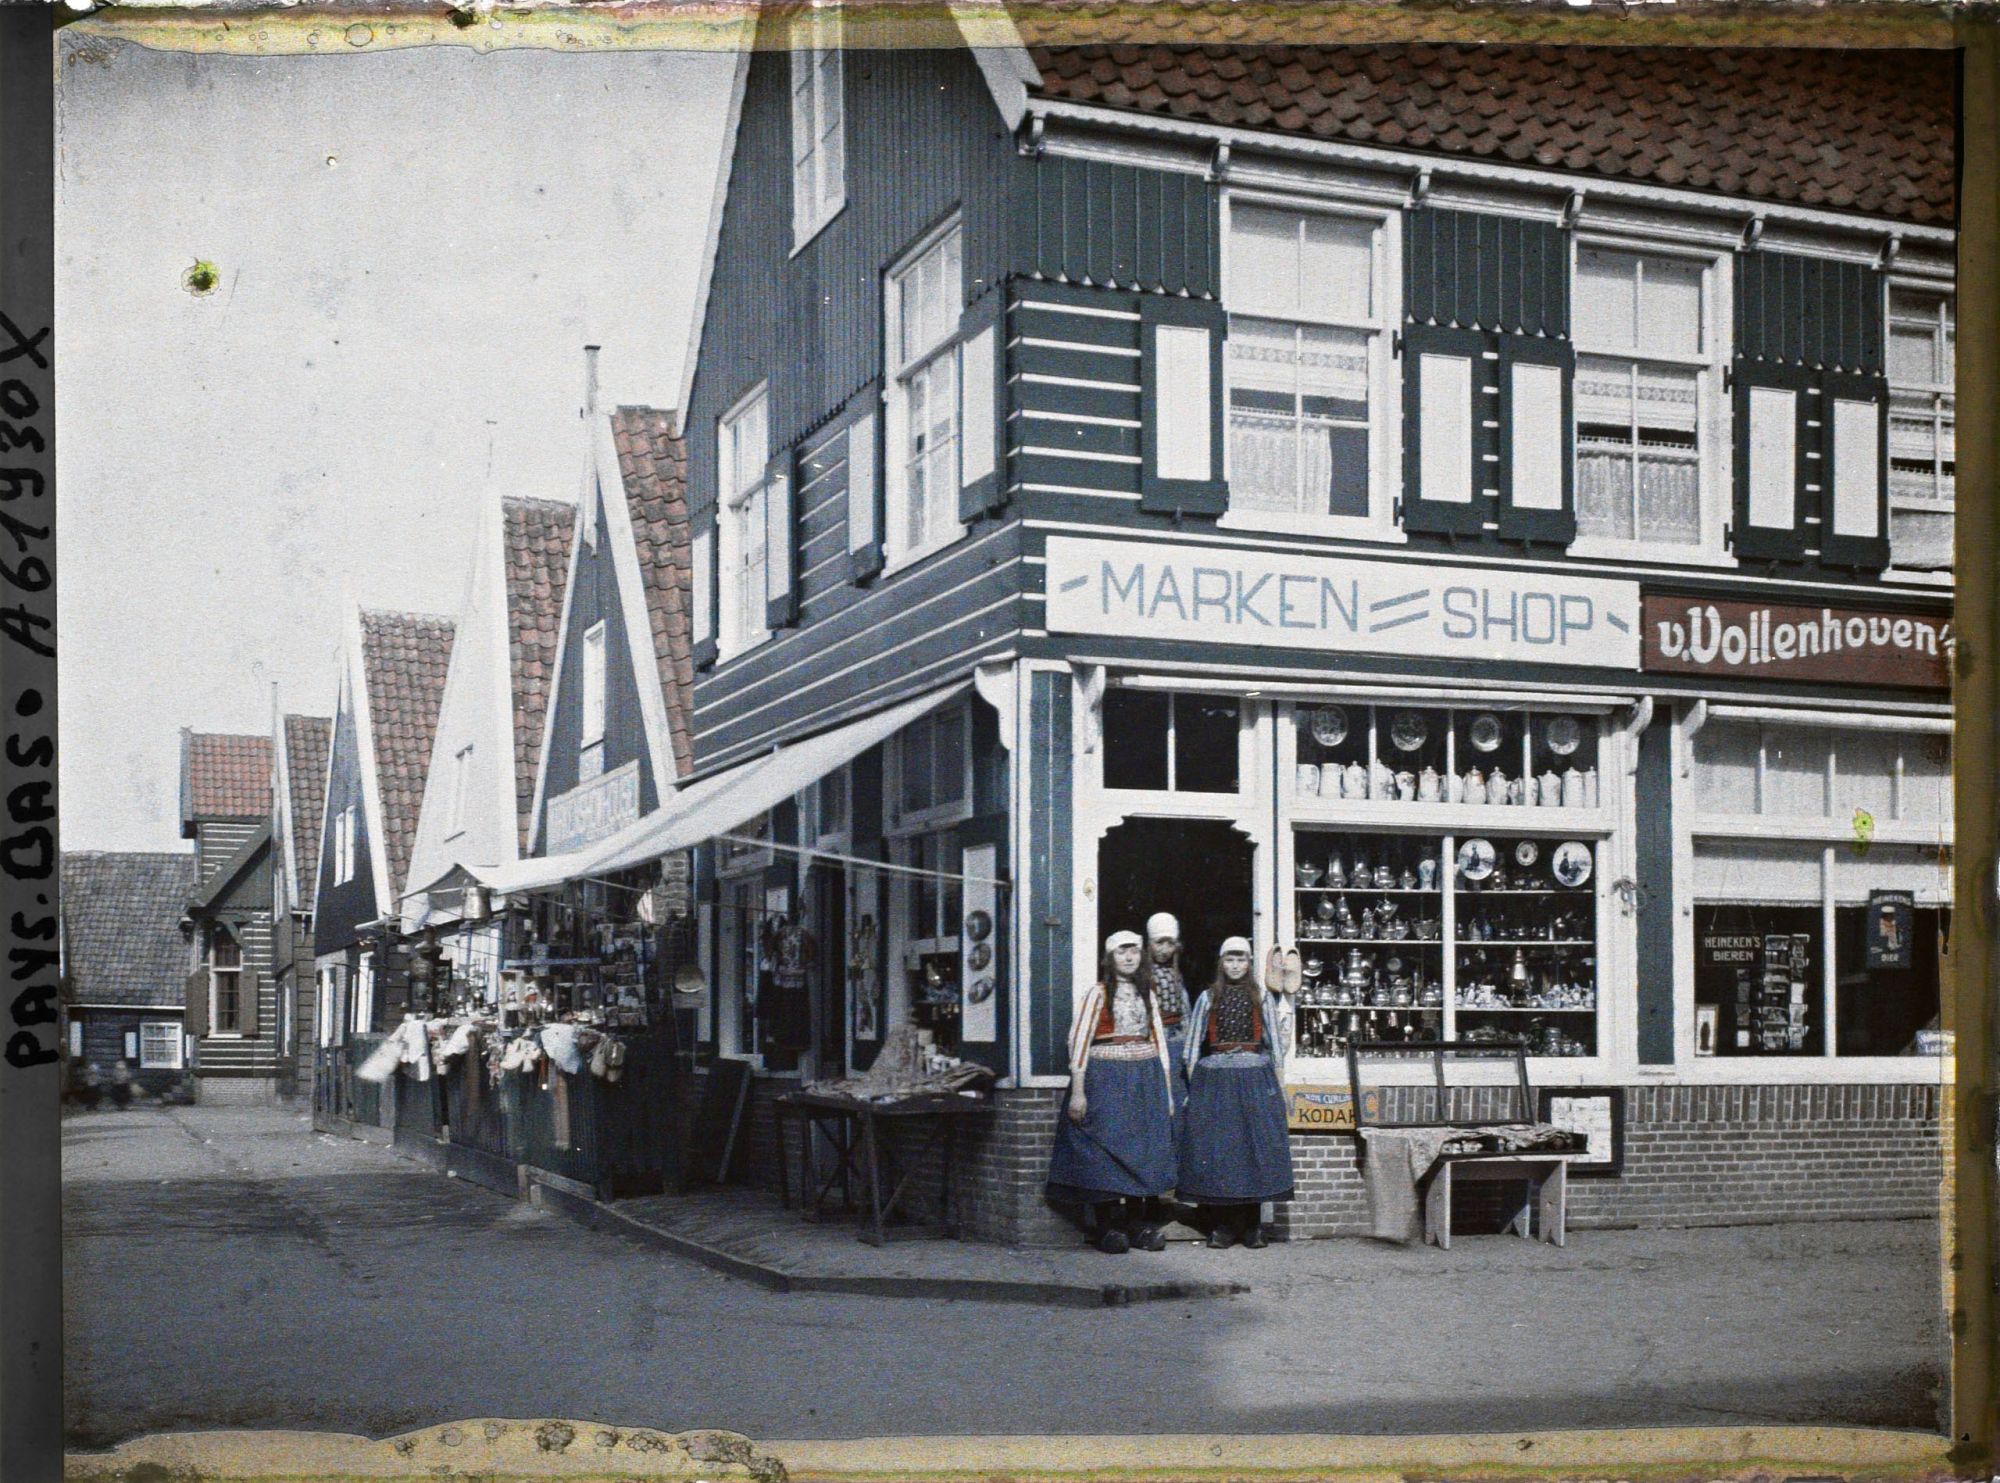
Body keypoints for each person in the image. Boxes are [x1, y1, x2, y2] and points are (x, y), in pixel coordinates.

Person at [1046, 929, 1178, 1253]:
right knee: (1103, 1152)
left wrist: (1168, 1092)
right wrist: (1078, 1092)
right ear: (1110, 958)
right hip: (1105, 1080)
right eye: (1122, 952)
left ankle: (1137, 1227)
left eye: (1134, 951)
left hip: (1144, 1079)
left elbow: (1159, 1043)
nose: (1129, 957)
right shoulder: (1098, 994)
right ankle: (1106, 1228)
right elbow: (1077, 1042)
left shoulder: (1148, 994)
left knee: (1142, 1152)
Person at [1179, 937, 1294, 1249]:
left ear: (1250, 962)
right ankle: (1223, 1227)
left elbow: (1275, 1048)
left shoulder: (1262, 998)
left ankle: (1253, 1226)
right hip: (1217, 1080)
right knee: (1223, 1151)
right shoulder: (1207, 997)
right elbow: (1191, 1048)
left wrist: (1279, 1088)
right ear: (1221, 963)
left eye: (1241, 960)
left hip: (1255, 1078)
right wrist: (1195, 1088)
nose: (1235, 966)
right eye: (1229, 960)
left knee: (1252, 1149)